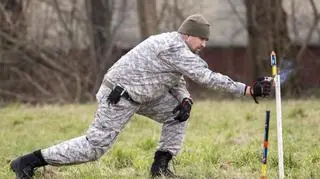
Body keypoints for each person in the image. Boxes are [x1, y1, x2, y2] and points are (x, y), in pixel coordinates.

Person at [10, 14, 272, 178]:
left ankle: (160, 169)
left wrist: (184, 98)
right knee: (94, 149)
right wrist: (246, 90)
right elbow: (205, 76)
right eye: (202, 39)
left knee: (178, 114)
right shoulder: (174, 47)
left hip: (144, 95)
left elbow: (175, 76)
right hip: (120, 97)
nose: (204, 44)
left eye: (206, 40)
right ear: (188, 34)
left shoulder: (178, 48)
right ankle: (29, 162)